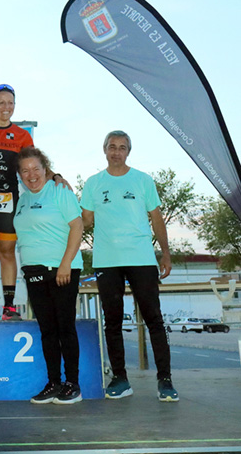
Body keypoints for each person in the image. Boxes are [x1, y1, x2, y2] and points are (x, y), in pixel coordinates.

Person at [81, 130, 178, 402]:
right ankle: (120, 379)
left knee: (154, 320)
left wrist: (165, 254)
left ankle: (165, 380)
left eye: (122, 147)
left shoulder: (143, 180)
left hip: (142, 259)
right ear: (105, 150)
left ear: (128, 152)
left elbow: (157, 219)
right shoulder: (93, 183)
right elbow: (84, 221)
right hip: (107, 261)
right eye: (112, 146)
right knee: (112, 322)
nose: (116, 152)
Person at [0, 84, 64, 320]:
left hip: (8, 197)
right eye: (1, 103)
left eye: (10, 103)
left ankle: (9, 307)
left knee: (7, 251)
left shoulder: (22, 135)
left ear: (14, 106)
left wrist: (55, 176)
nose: (6, 107)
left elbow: (35, 164)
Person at [13, 147, 83, 404]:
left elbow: (77, 226)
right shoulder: (22, 200)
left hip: (61, 270)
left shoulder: (60, 191)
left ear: (46, 170)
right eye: (25, 171)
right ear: (20, 175)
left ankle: (73, 385)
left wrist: (66, 264)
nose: (31, 175)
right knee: (47, 331)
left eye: (36, 169)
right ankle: (54, 383)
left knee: (65, 328)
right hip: (33, 272)